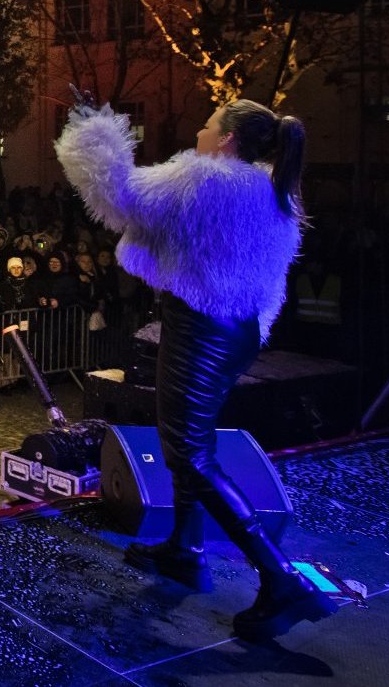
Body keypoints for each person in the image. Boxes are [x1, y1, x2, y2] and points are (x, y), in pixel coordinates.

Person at [57, 93, 334, 640]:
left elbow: (120, 196)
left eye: (208, 123)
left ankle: (280, 580)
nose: (200, 131)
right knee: (186, 439)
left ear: (227, 138)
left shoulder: (205, 178)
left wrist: (96, 131)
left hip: (201, 326)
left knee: (190, 452)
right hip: (237, 330)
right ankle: (185, 548)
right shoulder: (274, 188)